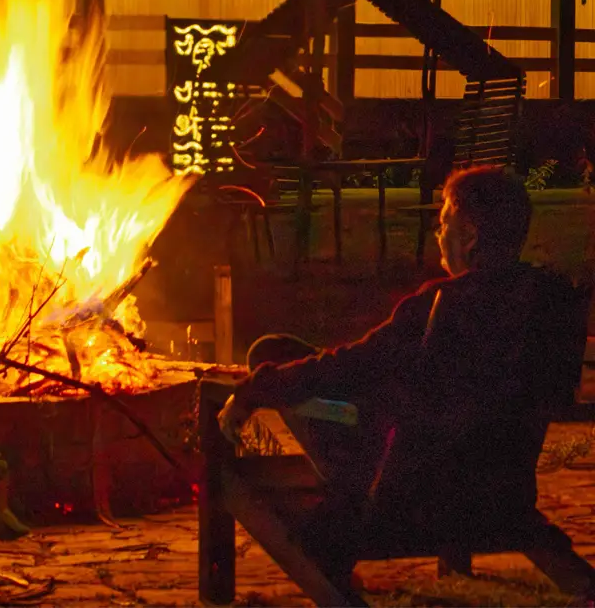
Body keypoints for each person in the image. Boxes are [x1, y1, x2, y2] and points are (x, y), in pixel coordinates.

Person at [218, 164, 587, 576]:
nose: (438, 233)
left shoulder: (444, 306)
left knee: (283, 363)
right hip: (502, 492)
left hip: (411, 503)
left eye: (445, 221)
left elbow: (354, 365)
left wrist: (255, 388)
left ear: (469, 235)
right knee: (283, 354)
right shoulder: (550, 303)